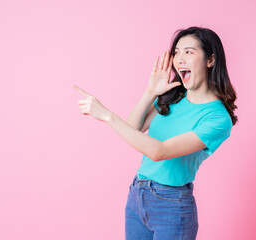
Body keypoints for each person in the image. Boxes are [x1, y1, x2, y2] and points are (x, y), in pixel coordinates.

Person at [73, 26, 238, 240]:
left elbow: (159, 151)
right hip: (137, 194)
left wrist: (107, 115)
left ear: (210, 60)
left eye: (189, 52)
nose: (179, 59)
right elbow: (133, 130)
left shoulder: (217, 118)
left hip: (172, 204)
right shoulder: (173, 97)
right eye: (176, 52)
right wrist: (150, 91)